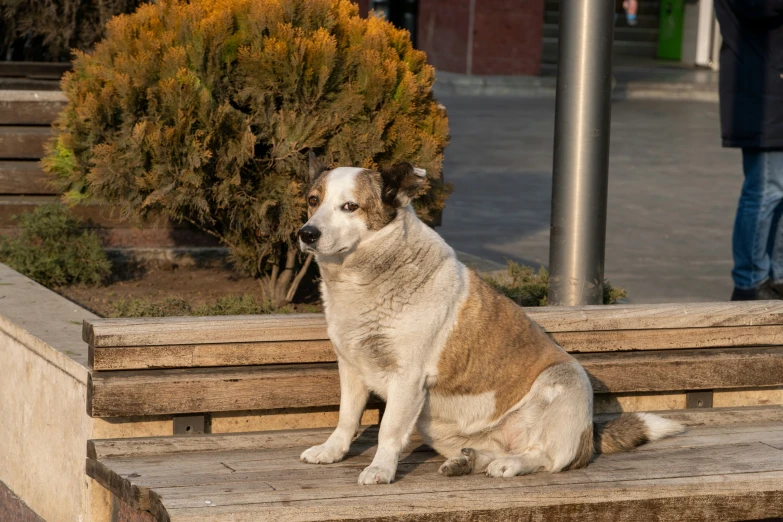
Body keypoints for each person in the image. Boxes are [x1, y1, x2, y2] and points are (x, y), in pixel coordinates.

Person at [714, 0, 783, 300]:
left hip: (772, 91)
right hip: (760, 93)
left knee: (777, 192)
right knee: (765, 189)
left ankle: (776, 275)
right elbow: (761, 7)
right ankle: (749, 281)